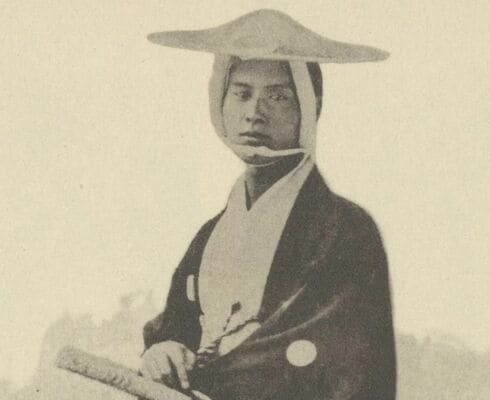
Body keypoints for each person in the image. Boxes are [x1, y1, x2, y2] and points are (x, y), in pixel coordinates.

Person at [140, 9, 396, 400]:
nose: (254, 113)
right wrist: (164, 350)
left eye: (277, 96)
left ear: (310, 106)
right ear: (219, 100)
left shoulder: (344, 229)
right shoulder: (211, 234)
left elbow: (342, 362)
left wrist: (211, 375)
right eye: (242, 93)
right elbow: (178, 328)